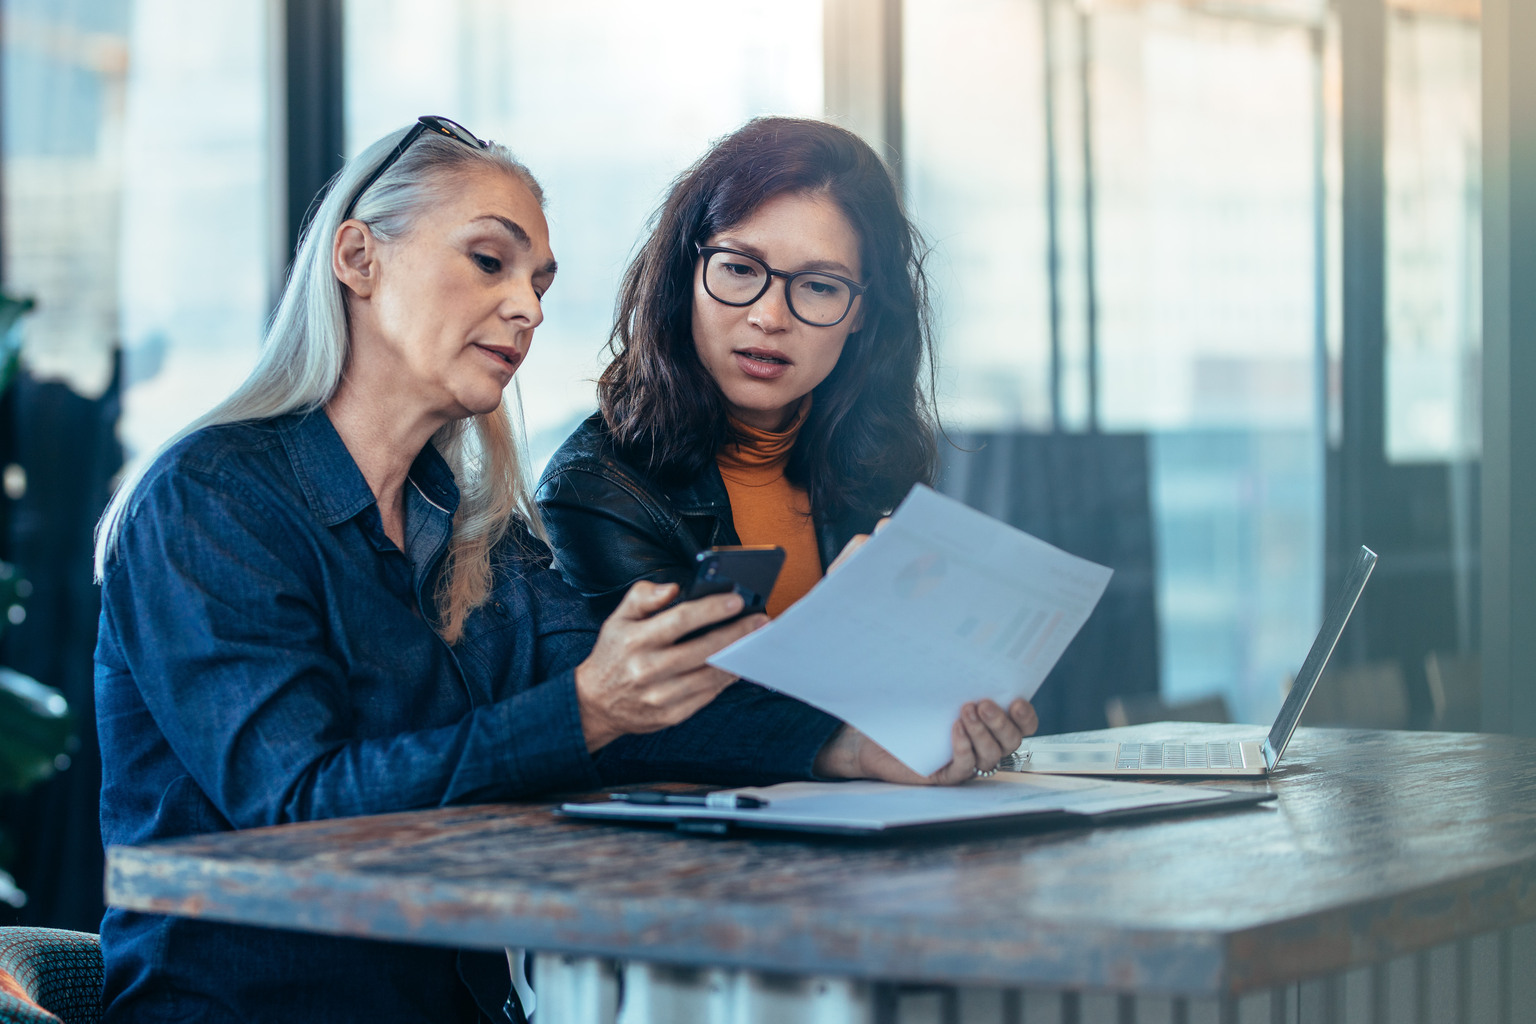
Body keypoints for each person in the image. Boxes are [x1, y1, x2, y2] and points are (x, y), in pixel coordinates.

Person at [92, 116, 1030, 1024]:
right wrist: (588, 705)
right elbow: (296, 805)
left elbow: (634, 716)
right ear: (358, 259)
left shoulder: (470, 527)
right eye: (489, 261)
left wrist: (851, 746)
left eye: (540, 281)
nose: (528, 308)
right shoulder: (210, 499)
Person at [537, 116, 1039, 784]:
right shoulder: (598, 486)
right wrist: (855, 709)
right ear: (687, 272)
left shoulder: (873, 458)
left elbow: (905, 697)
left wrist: (961, 720)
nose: (770, 316)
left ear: (862, 311)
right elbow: (653, 717)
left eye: (820, 286)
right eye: (740, 269)